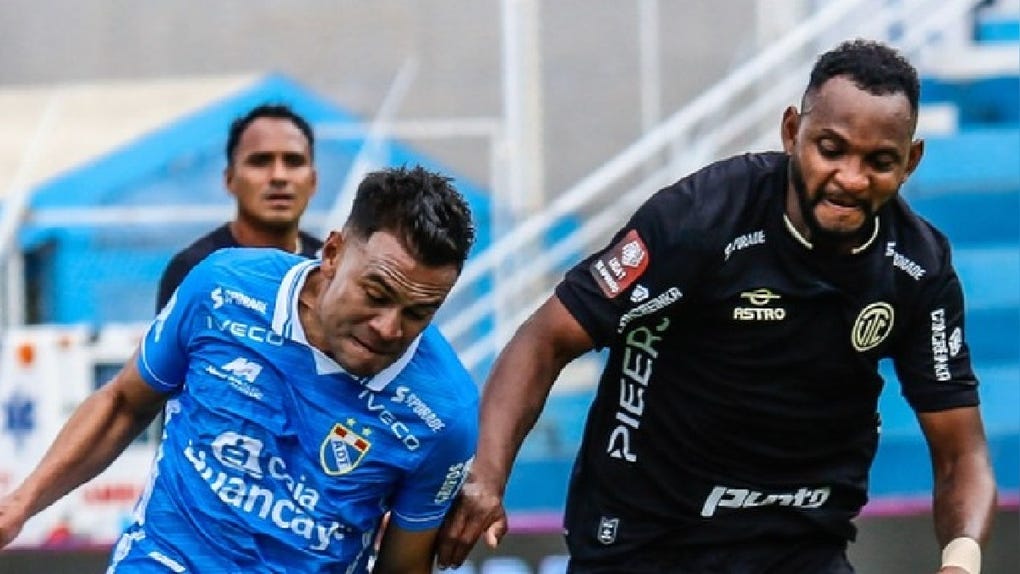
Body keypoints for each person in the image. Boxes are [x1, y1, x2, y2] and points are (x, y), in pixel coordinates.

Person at [437, 39, 997, 573]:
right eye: (831, 150)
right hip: (645, 543)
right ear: (792, 132)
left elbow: (961, 454)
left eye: (879, 161)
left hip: (799, 547)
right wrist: (487, 476)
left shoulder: (918, 267)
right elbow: (545, 339)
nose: (850, 178)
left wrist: (960, 560)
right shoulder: (702, 219)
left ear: (910, 161)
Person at [0, 165, 478, 573]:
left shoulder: (443, 413)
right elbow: (123, 405)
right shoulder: (223, 286)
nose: (389, 328)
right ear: (332, 253)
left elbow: (402, 569)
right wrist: (21, 504)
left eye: (419, 313)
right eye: (375, 295)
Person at [156, 103, 324, 312]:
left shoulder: (328, 269)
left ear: (313, 181)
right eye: (260, 161)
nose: (279, 176)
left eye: (293, 161)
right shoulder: (193, 270)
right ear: (230, 179)